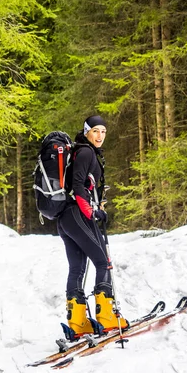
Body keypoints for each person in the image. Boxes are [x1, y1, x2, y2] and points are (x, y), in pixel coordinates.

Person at [57, 115, 128, 339]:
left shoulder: (81, 151)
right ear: (86, 131)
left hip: (65, 218)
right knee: (103, 262)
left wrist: (96, 205)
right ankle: (107, 317)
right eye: (95, 131)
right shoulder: (86, 152)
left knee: (77, 269)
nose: (100, 136)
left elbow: (83, 186)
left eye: (103, 132)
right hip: (78, 214)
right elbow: (78, 185)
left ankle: (78, 323)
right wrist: (92, 212)